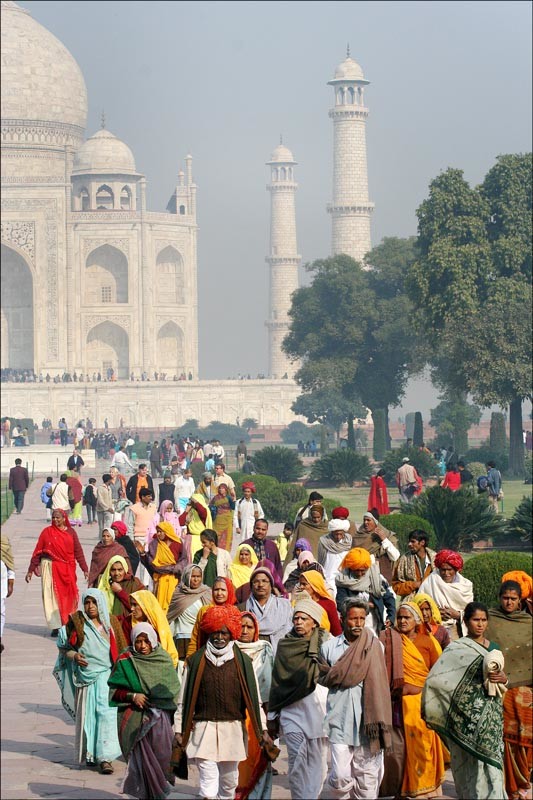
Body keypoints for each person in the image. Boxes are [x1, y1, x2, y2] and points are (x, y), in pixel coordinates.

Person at [175, 606, 269, 800]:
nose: (219, 637)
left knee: (229, 783)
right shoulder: (196, 662)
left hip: (232, 729)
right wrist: (178, 729)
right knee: (208, 783)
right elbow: (183, 700)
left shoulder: (242, 662)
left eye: (224, 632)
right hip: (203, 728)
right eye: (215, 632)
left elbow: (255, 700)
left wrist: (264, 729)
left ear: (231, 634)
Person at [423, 601, 507, 799]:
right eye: (475, 620)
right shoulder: (457, 649)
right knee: (468, 762)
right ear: (466, 622)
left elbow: (502, 678)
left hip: (491, 716)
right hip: (465, 718)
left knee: (491, 762)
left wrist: (503, 678)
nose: (480, 624)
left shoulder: (494, 649)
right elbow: (437, 680)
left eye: (484, 620)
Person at [319, 598, 392, 800]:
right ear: (343, 619)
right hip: (339, 719)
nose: (358, 623)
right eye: (353, 619)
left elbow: (380, 682)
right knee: (340, 776)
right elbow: (324, 676)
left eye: (362, 618)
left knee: (367, 778)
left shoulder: (375, 646)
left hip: (368, 721)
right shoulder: (329, 648)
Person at [53, 589, 126, 774]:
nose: (90, 606)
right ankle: (91, 754)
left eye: (94, 602)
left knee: (106, 714)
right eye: (87, 602)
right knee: (88, 717)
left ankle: (105, 757)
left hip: (105, 677)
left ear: (100, 603)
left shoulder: (112, 624)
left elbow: (122, 650)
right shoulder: (77, 624)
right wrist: (75, 655)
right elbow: (64, 647)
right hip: (85, 679)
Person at [108, 623, 181, 800]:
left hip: (160, 718)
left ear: (153, 641)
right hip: (136, 719)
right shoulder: (126, 659)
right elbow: (114, 690)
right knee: (142, 761)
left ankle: (158, 792)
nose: (142, 646)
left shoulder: (163, 658)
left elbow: (173, 688)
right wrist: (133, 696)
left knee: (162, 757)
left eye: (146, 641)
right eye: (138, 641)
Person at [268, 598, 330, 800]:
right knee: (295, 760)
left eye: (304, 618)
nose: (299, 622)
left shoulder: (327, 644)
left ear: (314, 622)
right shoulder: (285, 645)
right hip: (292, 712)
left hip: (318, 711)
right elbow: (277, 680)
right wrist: (273, 714)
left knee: (318, 764)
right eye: (296, 618)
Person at [486, 579, 533, 800]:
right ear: (499, 597)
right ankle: (509, 788)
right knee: (505, 738)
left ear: (521, 600)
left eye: (514, 599)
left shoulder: (528, 623)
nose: (509, 602)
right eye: (505, 597)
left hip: (525, 691)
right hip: (499, 689)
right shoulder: (491, 620)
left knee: (526, 738)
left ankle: (523, 782)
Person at [394, 601, 445, 798]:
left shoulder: (427, 641)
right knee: (402, 746)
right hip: (399, 701)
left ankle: (426, 787)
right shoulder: (392, 640)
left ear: (416, 620)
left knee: (423, 744)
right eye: (399, 617)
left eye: (407, 617)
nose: (403, 621)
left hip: (423, 701)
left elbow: (439, 672)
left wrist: (420, 688)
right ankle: (406, 786)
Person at [26, 509, 89, 636]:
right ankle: (55, 625)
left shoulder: (71, 532)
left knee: (68, 596)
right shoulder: (47, 533)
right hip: (50, 568)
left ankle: (68, 623)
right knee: (51, 597)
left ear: (64, 518)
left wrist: (85, 569)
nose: (55, 520)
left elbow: (78, 551)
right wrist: (30, 570)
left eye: (58, 518)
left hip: (67, 569)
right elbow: (38, 551)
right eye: (54, 517)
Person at [235, 610, 275, 800]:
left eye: (249, 627)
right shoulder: (228, 650)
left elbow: (269, 686)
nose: (244, 630)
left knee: (259, 757)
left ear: (256, 630)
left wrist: (269, 719)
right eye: (241, 626)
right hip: (234, 712)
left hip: (259, 715)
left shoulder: (264, 650)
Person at [335, 548, 396, 634]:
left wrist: (391, 617)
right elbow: (341, 604)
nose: (360, 573)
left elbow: (389, 598)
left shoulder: (376, 577)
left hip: (374, 623)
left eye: (362, 570)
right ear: (351, 568)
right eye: (356, 570)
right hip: (353, 626)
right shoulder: (344, 580)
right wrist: (365, 605)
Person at [418, 549, 474, 640]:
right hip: (434, 630)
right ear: (438, 568)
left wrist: (458, 615)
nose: (446, 573)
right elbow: (418, 606)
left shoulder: (465, 586)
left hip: (458, 630)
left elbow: (472, 612)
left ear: (456, 570)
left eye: (449, 570)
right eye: (443, 570)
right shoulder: (431, 581)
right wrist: (435, 613)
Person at [242, 565, 293, 653]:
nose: (260, 585)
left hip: (280, 655)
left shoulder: (285, 606)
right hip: (250, 654)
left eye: (264, 581)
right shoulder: (242, 609)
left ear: (271, 585)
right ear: (251, 585)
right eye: (256, 582)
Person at [167, 564, 212, 661]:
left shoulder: (207, 593)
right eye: (193, 576)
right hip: (182, 637)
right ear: (187, 576)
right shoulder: (179, 593)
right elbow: (170, 617)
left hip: (201, 637)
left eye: (198, 577)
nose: (196, 580)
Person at [137, 522, 183, 612]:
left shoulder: (178, 544)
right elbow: (151, 564)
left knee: (171, 606)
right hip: (159, 580)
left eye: (160, 531)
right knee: (158, 607)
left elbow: (184, 561)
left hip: (174, 581)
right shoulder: (154, 545)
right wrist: (142, 554)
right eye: (157, 531)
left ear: (167, 531)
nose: (158, 534)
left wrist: (173, 569)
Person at [186, 576, 238, 658]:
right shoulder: (204, 611)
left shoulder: (234, 612)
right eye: (216, 590)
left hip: (229, 657)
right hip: (205, 655)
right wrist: (189, 657)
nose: (219, 593)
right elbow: (195, 637)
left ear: (229, 592)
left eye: (223, 590)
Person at [130, 589, 179, 668]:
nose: (132, 609)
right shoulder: (128, 623)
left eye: (135, 605)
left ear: (145, 605)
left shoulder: (159, 623)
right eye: (131, 605)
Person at [352, 512, 400, 583]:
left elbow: (395, 556)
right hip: (362, 575)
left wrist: (384, 539)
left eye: (368, 520)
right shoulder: (358, 536)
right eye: (364, 520)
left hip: (382, 574)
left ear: (375, 522)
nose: (365, 522)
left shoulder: (387, 535)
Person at [391, 529, 436, 598]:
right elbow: (396, 586)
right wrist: (414, 585)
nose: (409, 544)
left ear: (422, 543)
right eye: (409, 541)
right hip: (411, 602)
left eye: (413, 542)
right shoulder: (404, 560)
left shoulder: (435, 559)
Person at [298, 570, 342, 635]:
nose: (301, 587)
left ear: (314, 585)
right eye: (300, 584)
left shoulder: (328, 603)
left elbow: (336, 630)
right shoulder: (298, 602)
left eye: (304, 584)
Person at [317, 519, 352, 597]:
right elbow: (321, 560)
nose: (338, 537)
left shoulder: (349, 541)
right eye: (336, 534)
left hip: (345, 576)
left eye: (341, 534)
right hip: (329, 576)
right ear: (331, 532)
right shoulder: (324, 541)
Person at [179, 492, 213, 559]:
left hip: (200, 539)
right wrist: (186, 511)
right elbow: (180, 522)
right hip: (190, 538)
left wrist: (195, 501)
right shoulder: (190, 512)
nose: (192, 503)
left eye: (193, 502)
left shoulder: (204, 510)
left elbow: (202, 511)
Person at [233, 482, 264, 550]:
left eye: (248, 491)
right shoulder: (239, 502)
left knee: (253, 544)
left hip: (252, 527)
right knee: (243, 544)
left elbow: (261, 514)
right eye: (245, 491)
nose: (247, 493)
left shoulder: (255, 502)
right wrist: (237, 527)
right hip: (243, 527)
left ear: (251, 492)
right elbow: (235, 515)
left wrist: (259, 525)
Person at [210, 483, 236, 552]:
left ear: (226, 490)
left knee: (226, 536)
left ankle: (225, 552)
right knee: (216, 536)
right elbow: (210, 506)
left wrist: (233, 500)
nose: (221, 489)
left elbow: (233, 507)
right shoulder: (215, 498)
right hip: (217, 520)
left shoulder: (228, 497)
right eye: (220, 488)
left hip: (227, 520)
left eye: (223, 488)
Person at [1, 534, 15, 654]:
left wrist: (11, 581)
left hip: (1, 585)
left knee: (1, 613)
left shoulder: (4, 541)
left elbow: (9, 562)